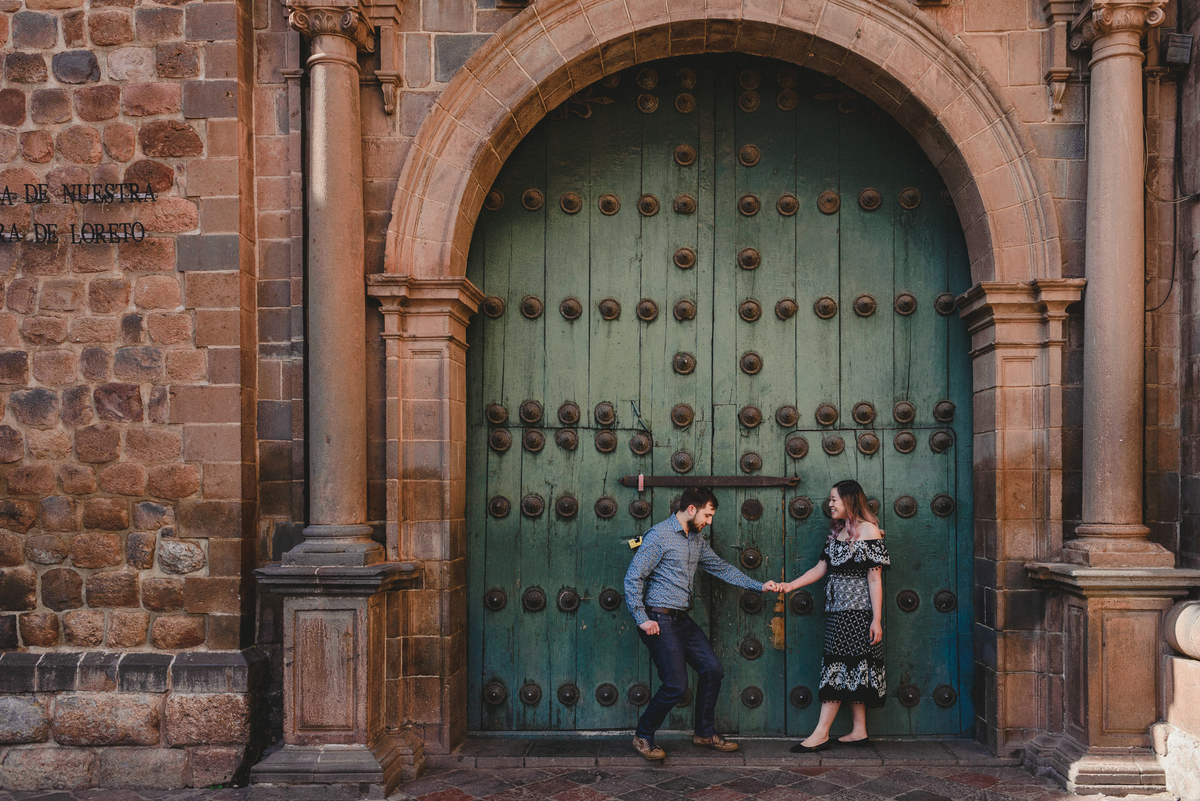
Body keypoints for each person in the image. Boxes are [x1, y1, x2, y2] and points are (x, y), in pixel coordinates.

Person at [623, 486, 781, 760]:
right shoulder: (659, 536)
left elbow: (720, 567)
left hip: (682, 620)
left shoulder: (695, 540)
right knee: (675, 686)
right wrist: (642, 619)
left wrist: (759, 586)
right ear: (692, 509)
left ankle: (704, 733)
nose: (709, 522)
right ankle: (643, 736)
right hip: (658, 619)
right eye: (707, 515)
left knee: (712, 670)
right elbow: (633, 577)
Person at [779, 479, 889, 752]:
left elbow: (874, 580)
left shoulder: (869, 531)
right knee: (851, 666)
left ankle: (820, 733)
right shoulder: (838, 533)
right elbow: (820, 569)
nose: (829, 504)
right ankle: (859, 731)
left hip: (856, 614)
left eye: (834, 499)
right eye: (829, 499)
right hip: (836, 612)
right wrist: (790, 585)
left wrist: (876, 620)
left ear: (850, 501)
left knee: (838, 666)